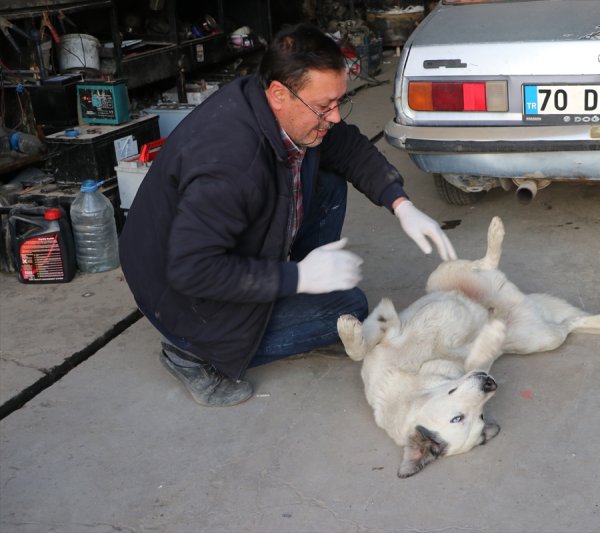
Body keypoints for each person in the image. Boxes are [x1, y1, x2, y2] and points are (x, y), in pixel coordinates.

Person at [119, 22, 456, 407]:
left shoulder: (269, 104)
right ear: (279, 93)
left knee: (327, 175)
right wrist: (298, 276)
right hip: (183, 298)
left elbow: (346, 146)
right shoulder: (231, 165)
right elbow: (192, 270)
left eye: (337, 103)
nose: (333, 116)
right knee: (347, 310)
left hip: (205, 253)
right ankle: (191, 352)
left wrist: (401, 204)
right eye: (324, 106)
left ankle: (296, 294)